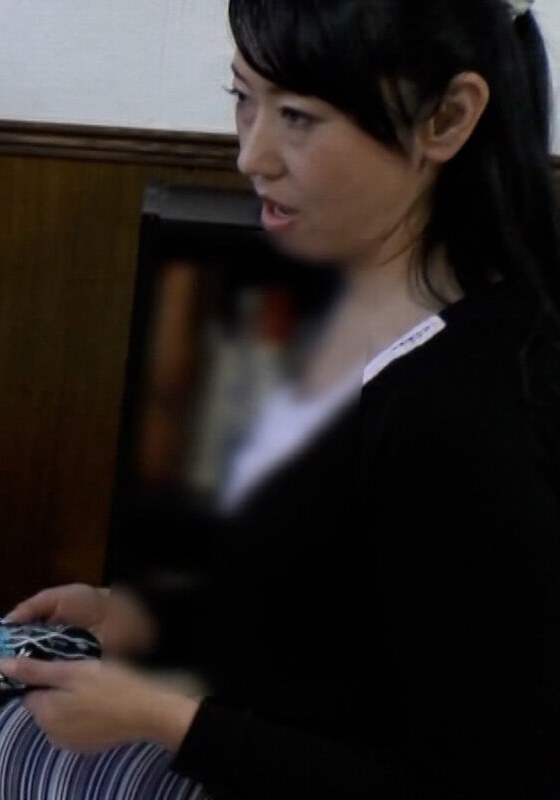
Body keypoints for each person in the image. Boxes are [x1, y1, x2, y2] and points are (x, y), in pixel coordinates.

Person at [2, 0, 560, 797]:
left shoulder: (468, 414)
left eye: (298, 116)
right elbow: (333, 615)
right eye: (243, 99)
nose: (251, 155)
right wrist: (136, 617)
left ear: (447, 118)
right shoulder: (334, 295)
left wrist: (165, 719)